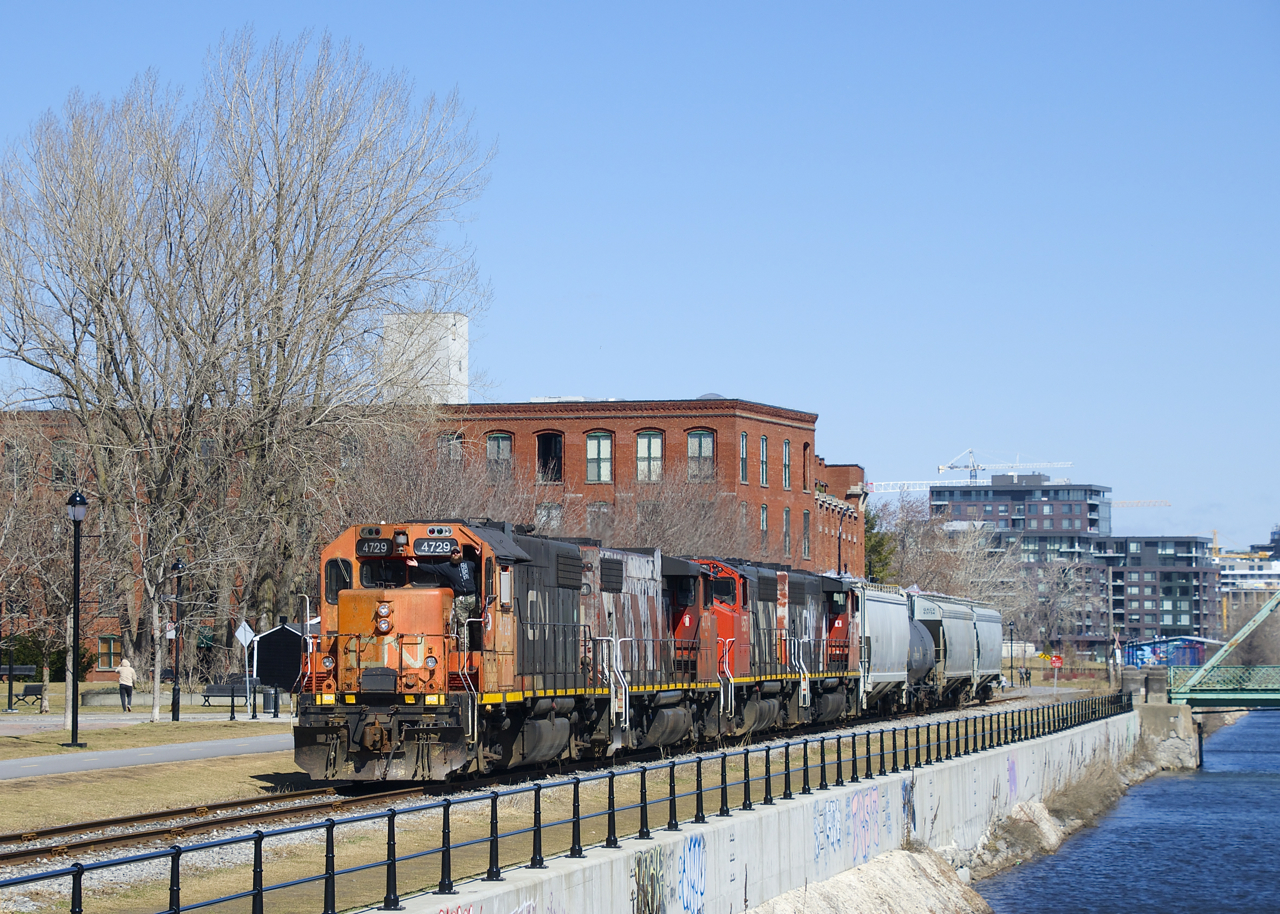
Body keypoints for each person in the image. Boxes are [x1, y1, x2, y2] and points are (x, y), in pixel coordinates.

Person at [416, 547, 478, 638]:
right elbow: (433, 568)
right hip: (460, 599)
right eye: (453, 553)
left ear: (461, 553)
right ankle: (464, 645)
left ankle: (478, 643)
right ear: (451, 555)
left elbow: (482, 567)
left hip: (473, 597)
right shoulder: (447, 567)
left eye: (457, 552)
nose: (455, 554)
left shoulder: (470, 564)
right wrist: (418, 565)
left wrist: (480, 556)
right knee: (462, 625)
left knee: (477, 622)